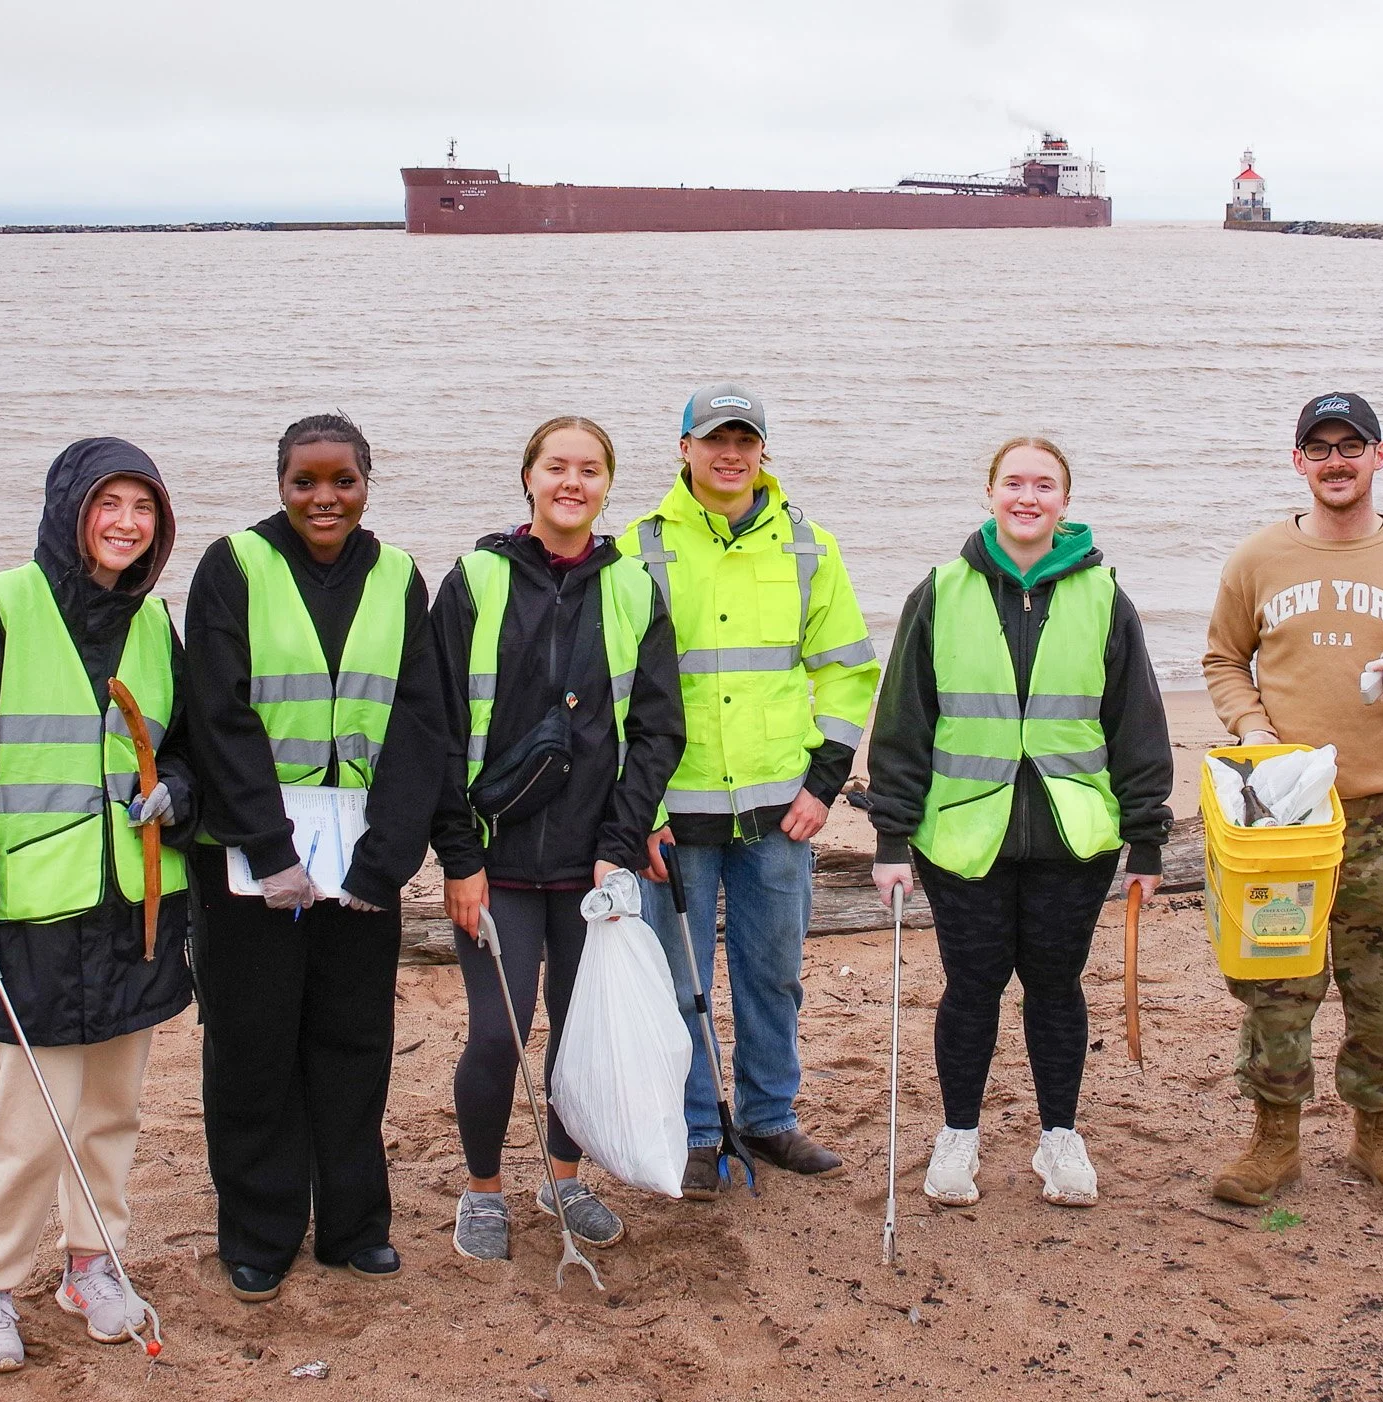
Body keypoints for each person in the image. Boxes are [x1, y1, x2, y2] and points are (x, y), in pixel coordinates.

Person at [0, 438, 194, 1373]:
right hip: (32, 918)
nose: (126, 525)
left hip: (135, 911)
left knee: (112, 1109)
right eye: (110, 504)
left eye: (144, 508)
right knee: (29, 1120)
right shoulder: (0, 608)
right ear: (70, 509)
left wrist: (179, 792)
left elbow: (185, 749)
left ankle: (92, 1263)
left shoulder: (151, 626)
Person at [1202, 391, 1383, 1206]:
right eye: (1320, 447)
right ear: (1298, 461)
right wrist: (1253, 728)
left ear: (1379, 456)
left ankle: (1379, 1134)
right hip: (1284, 816)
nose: (1336, 460)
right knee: (1278, 978)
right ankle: (1275, 1139)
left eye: (1351, 445)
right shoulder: (1257, 559)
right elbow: (1223, 660)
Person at [864, 437, 1172, 1208]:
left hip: (1074, 835)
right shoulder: (940, 591)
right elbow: (903, 722)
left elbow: (1136, 721)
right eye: (1013, 482)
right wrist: (891, 839)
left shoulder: (1105, 596)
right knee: (972, 985)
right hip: (962, 835)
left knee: (1056, 985)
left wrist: (1147, 837)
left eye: (1044, 485)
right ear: (990, 492)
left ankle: (1059, 1138)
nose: (1027, 497)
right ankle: (958, 1137)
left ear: (1065, 501)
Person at [184, 412, 447, 1301]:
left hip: (359, 857)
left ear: (368, 481)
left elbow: (421, 723)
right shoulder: (233, 568)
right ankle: (259, 1232)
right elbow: (216, 716)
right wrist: (267, 850)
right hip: (251, 860)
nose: (324, 498)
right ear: (280, 484)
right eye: (305, 482)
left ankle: (353, 1225)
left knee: (352, 1043)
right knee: (253, 1046)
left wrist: (386, 862)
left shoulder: (403, 576)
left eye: (343, 480)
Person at [429, 416, 685, 1261]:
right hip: (493, 860)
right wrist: (458, 858)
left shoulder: (636, 589)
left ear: (608, 485)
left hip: (591, 858)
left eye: (588, 470)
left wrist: (618, 840)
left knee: (579, 1031)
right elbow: (433, 727)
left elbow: (657, 731)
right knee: (498, 1035)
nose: (571, 482)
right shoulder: (473, 580)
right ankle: (482, 1190)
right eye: (555, 467)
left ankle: (565, 1177)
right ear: (528, 478)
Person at [633, 383, 880, 1197]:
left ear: (762, 450)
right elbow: (614, 688)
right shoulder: (641, 548)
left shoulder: (808, 547)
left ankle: (771, 1118)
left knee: (773, 972)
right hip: (677, 813)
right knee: (682, 983)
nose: (729, 454)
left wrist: (823, 781)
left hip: (783, 814)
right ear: (684, 448)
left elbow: (846, 671)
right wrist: (639, 811)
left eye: (744, 439)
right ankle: (701, 1129)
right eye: (713, 439)